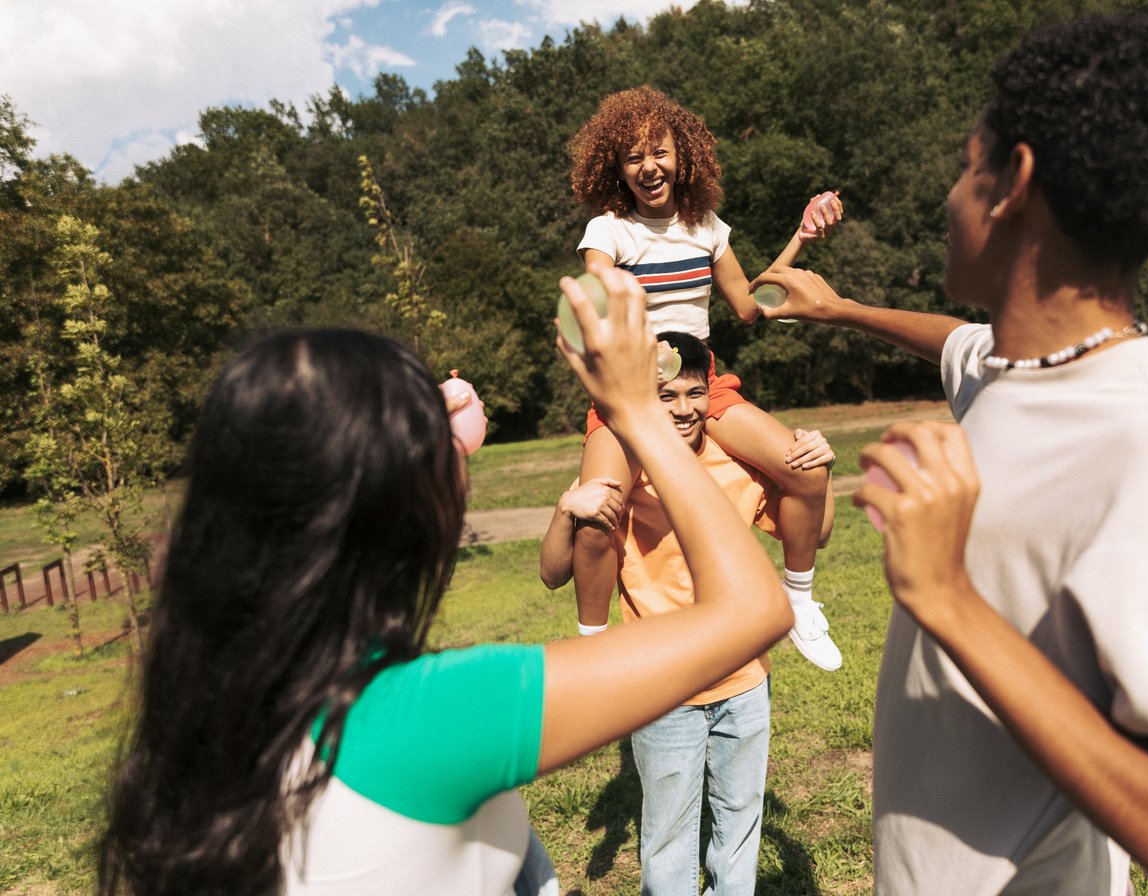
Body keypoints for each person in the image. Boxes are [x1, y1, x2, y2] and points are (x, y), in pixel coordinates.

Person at [753, 14, 1148, 896]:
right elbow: (958, 346)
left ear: (1013, 183)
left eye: (968, 168)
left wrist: (949, 600)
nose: (950, 197)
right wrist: (842, 309)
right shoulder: (1021, 370)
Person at [97, 268, 795, 896]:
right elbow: (754, 609)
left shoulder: (206, 712)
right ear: (403, 515)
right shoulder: (427, 716)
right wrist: (637, 413)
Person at [540, 331, 835, 896]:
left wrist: (822, 466)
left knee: (740, 820)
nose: (682, 409)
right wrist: (564, 509)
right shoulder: (620, 474)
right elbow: (554, 572)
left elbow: (815, 533)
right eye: (666, 396)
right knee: (669, 833)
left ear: (712, 395)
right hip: (663, 688)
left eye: (694, 394)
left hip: (745, 681)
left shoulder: (739, 462)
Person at [566, 85, 844, 671]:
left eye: (659, 152)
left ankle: (799, 600)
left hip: (702, 383)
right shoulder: (609, 232)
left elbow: (748, 305)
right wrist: (611, 314)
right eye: (633, 157)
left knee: (809, 469)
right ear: (616, 169)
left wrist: (801, 238)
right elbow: (596, 289)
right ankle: (591, 654)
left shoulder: (709, 229)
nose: (649, 167)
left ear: (681, 156)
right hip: (629, 394)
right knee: (595, 519)